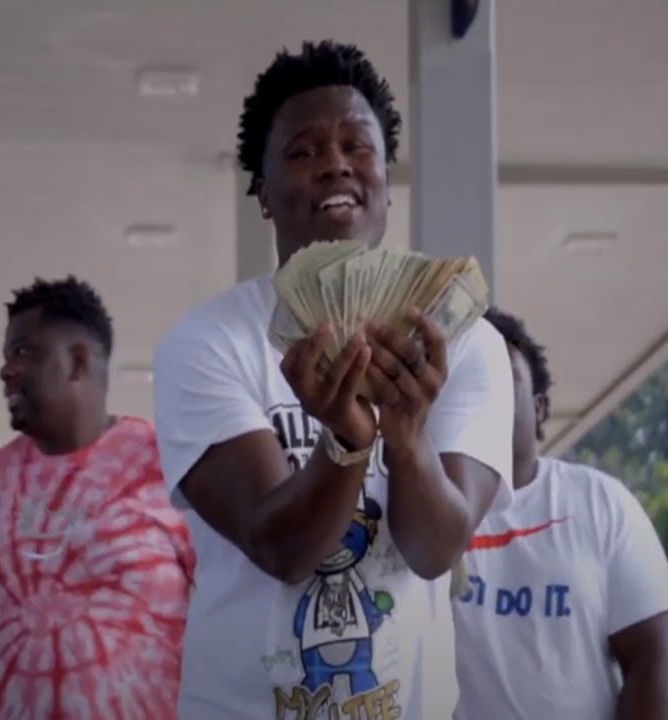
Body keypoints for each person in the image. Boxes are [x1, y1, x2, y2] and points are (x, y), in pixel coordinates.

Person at [151, 40, 514, 719]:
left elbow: (435, 550)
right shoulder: (207, 344)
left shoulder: (466, 344)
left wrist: (407, 435)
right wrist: (346, 441)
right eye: (304, 151)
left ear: (386, 178)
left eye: (357, 146)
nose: (336, 164)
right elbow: (280, 547)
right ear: (263, 193)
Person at [0, 276, 195, 720]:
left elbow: (227, 609)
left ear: (77, 361)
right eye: (7, 355)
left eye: (23, 352)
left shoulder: (169, 466)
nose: (6, 370)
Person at [452, 309, 668, 720]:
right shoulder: (414, 508)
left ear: (540, 408)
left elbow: (651, 659)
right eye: (468, 378)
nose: (484, 393)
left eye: (503, 379)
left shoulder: (602, 504)